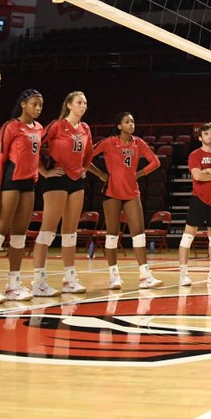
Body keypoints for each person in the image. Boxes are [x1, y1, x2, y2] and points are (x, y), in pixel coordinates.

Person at [0, 89, 44, 304]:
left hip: (29, 184)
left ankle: (14, 285)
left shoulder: (39, 129)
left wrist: (43, 172)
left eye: (40, 106)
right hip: (10, 182)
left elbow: (36, 157)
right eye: (34, 104)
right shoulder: (10, 127)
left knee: (19, 236)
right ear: (24, 104)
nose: (37, 109)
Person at [30, 91, 93, 297]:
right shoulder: (57, 125)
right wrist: (44, 171)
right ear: (68, 105)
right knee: (48, 230)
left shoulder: (85, 128)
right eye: (79, 102)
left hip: (77, 181)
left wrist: (84, 167)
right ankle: (38, 281)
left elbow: (89, 152)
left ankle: (70, 278)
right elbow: (34, 145)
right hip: (57, 178)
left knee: (70, 232)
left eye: (85, 102)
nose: (83, 106)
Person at [90, 112, 162, 289]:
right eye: (127, 122)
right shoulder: (109, 142)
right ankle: (114, 276)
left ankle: (145, 275)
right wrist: (100, 174)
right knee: (112, 233)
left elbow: (155, 162)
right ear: (119, 126)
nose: (131, 124)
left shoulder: (139, 143)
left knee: (138, 232)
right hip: (112, 191)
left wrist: (139, 174)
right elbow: (86, 156)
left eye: (133, 121)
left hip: (131, 192)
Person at [178, 122, 211, 286]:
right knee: (187, 238)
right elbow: (198, 176)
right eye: (207, 133)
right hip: (199, 199)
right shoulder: (195, 155)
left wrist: (209, 171)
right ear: (200, 137)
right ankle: (183, 274)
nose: (210, 136)